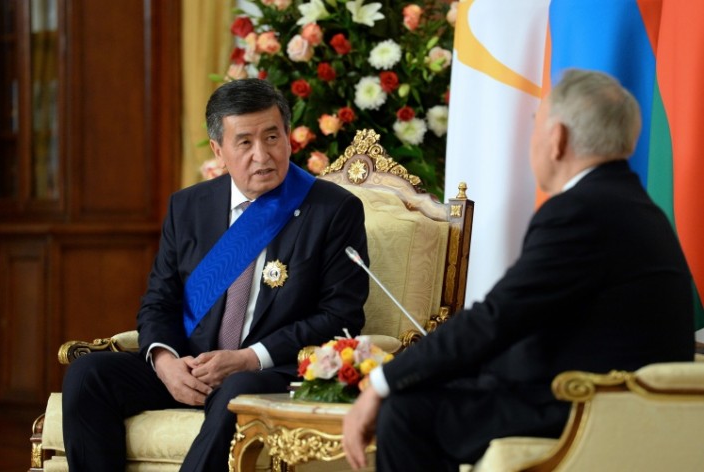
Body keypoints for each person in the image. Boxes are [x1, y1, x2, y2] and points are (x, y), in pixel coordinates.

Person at [342, 69, 695, 471]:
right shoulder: (639, 209)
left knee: (407, 413)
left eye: (536, 125)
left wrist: (383, 382)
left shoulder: (580, 211)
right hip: (625, 403)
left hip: (587, 408)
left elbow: (497, 319)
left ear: (557, 138)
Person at [62, 78, 370, 472]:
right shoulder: (188, 207)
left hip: (268, 371)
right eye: (245, 142)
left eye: (272, 137)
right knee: (88, 375)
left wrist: (247, 359)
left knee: (237, 391)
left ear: (288, 136)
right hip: (192, 367)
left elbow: (340, 316)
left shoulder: (333, 210)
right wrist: (166, 362)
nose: (262, 155)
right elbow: (159, 301)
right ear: (218, 150)